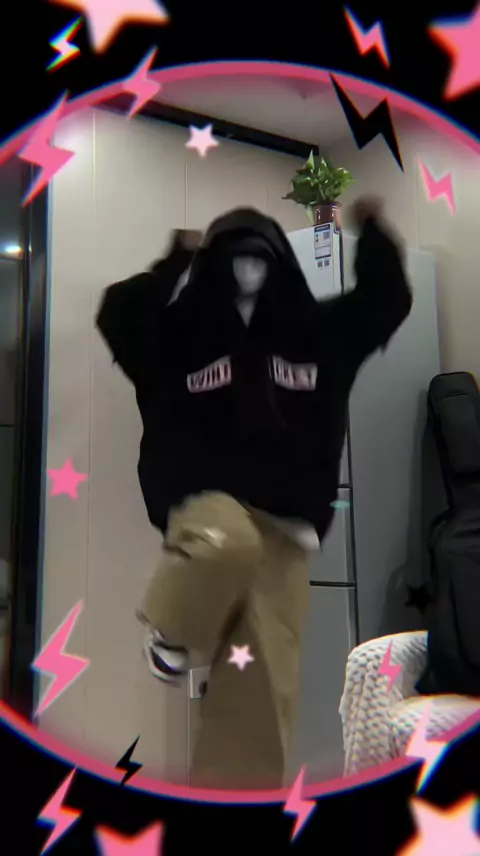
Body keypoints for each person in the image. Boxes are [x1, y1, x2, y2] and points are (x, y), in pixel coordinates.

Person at [96, 198, 412, 789]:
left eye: (259, 259)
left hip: (287, 527)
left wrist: (372, 231)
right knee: (226, 541)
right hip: (206, 501)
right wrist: (173, 262)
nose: (247, 271)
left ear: (279, 266)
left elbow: (384, 301)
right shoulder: (177, 338)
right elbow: (119, 312)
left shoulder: (316, 335)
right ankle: (172, 628)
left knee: (259, 708)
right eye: (233, 260)